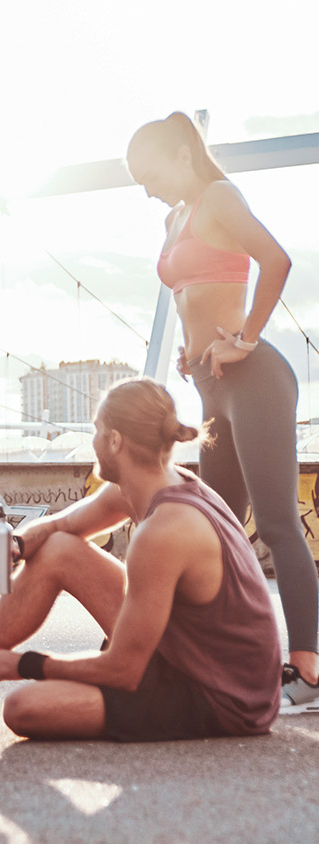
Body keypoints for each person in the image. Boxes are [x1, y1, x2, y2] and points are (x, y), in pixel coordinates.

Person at [0, 379, 282, 740]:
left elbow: (125, 669)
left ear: (115, 440)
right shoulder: (162, 483)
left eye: (96, 431)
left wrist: (26, 664)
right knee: (58, 550)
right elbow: (63, 527)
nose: (91, 442)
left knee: (24, 708)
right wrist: (15, 546)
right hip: (194, 656)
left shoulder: (165, 531)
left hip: (221, 696)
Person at [125, 112, 319, 714]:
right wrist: (190, 348)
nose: (146, 188)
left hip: (253, 379)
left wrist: (247, 338)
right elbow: (192, 292)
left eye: (150, 172)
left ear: (182, 154)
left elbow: (275, 260)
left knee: (278, 522)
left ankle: (310, 671)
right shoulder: (174, 215)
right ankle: (223, 659)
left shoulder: (219, 197)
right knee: (220, 527)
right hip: (210, 386)